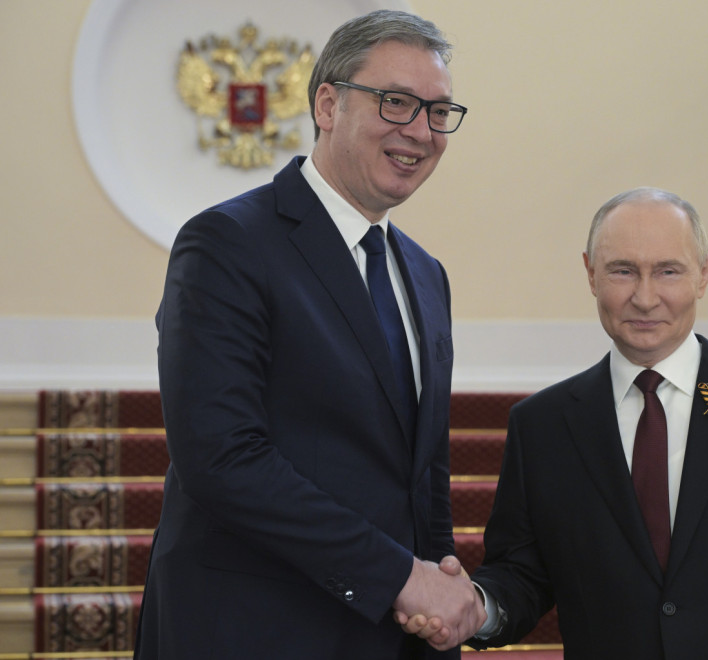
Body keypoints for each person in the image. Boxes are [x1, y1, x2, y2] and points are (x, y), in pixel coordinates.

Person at [133, 10, 485, 659]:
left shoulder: (426, 274)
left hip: (392, 635)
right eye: (396, 102)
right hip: (252, 631)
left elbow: (424, 476)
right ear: (327, 103)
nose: (420, 130)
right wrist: (397, 577)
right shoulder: (227, 243)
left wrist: (437, 603)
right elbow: (221, 457)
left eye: (439, 112)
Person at [402, 188, 708, 658]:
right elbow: (523, 575)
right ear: (591, 274)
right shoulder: (541, 426)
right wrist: (479, 607)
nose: (646, 298)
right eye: (623, 271)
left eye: (668, 271)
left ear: (704, 274)